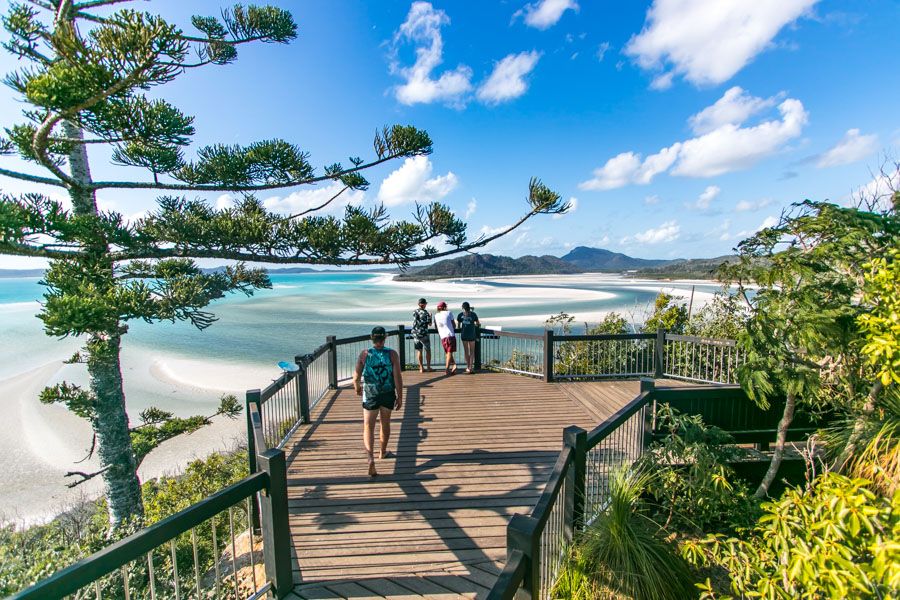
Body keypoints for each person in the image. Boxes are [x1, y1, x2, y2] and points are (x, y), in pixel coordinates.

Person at [353, 326, 402, 478]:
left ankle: (370, 458)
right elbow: (397, 377)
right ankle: (382, 451)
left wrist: (357, 388)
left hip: (371, 393)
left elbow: (356, 376)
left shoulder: (365, 354)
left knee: (368, 426)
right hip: (387, 393)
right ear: (385, 338)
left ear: (372, 338)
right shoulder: (392, 354)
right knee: (385, 423)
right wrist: (400, 396)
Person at [457, 301, 480, 374]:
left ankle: (467, 367)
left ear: (462, 308)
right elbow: (478, 323)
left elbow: (458, 325)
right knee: (472, 351)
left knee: (466, 351)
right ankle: (471, 367)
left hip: (464, 335)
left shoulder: (460, 315)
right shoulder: (473, 314)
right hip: (472, 335)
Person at [434, 301, 457, 375]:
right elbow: (454, 325)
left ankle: (453, 365)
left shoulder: (436, 315)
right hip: (450, 335)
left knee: (447, 352)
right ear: (445, 307)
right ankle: (448, 368)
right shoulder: (449, 313)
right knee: (449, 352)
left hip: (442, 336)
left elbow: (436, 326)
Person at [411, 298, 432, 373]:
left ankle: (421, 368)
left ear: (418, 304)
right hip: (424, 334)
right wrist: (430, 316)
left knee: (419, 351)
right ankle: (428, 367)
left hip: (416, 334)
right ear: (424, 304)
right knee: (428, 350)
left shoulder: (415, 311)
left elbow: (416, 322)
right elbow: (429, 324)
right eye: (425, 304)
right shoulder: (426, 313)